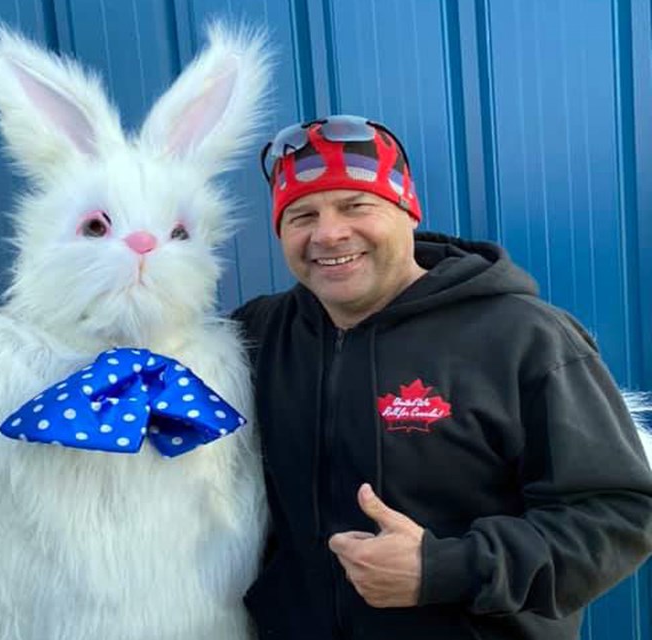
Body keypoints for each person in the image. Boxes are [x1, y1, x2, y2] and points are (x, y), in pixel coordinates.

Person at [233, 114, 652, 639]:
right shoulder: (258, 335)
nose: (329, 232)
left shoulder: (523, 337)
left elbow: (617, 513)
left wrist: (445, 568)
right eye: (301, 215)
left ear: (407, 210)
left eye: (355, 205)